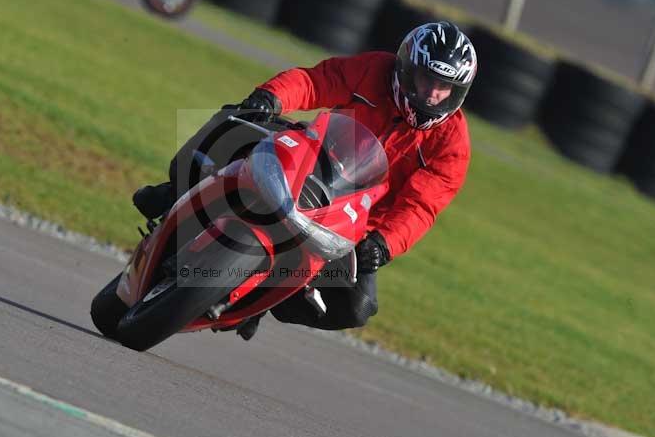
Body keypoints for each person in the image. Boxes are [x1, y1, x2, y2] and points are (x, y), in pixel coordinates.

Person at [134, 21, 477, 340]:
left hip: (353, 221)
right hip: (309, 161)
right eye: (426, 80)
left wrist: (384, 243)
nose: (432, 94)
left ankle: (265, 299)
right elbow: (316, 82)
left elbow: (421, 206)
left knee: (357, 308)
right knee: (237, 119)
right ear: (406, 69)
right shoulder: (374, 70)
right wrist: (272, 97)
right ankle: (176, 193)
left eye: (444, 87)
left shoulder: (452, 144)